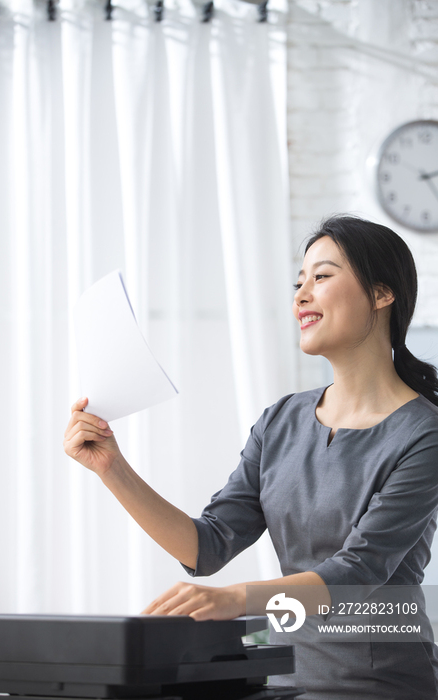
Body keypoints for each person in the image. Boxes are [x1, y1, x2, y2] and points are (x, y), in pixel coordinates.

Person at [64, 215, 438, 699]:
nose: (301, 296)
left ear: (383, 293)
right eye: (298, 283)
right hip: (279, 680)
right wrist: (110, 466)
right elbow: (205, 547)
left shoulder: (423, 433)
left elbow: (358, 573)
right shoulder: (280, 421)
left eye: (321, 277)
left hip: (379, 685)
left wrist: (236, 601)